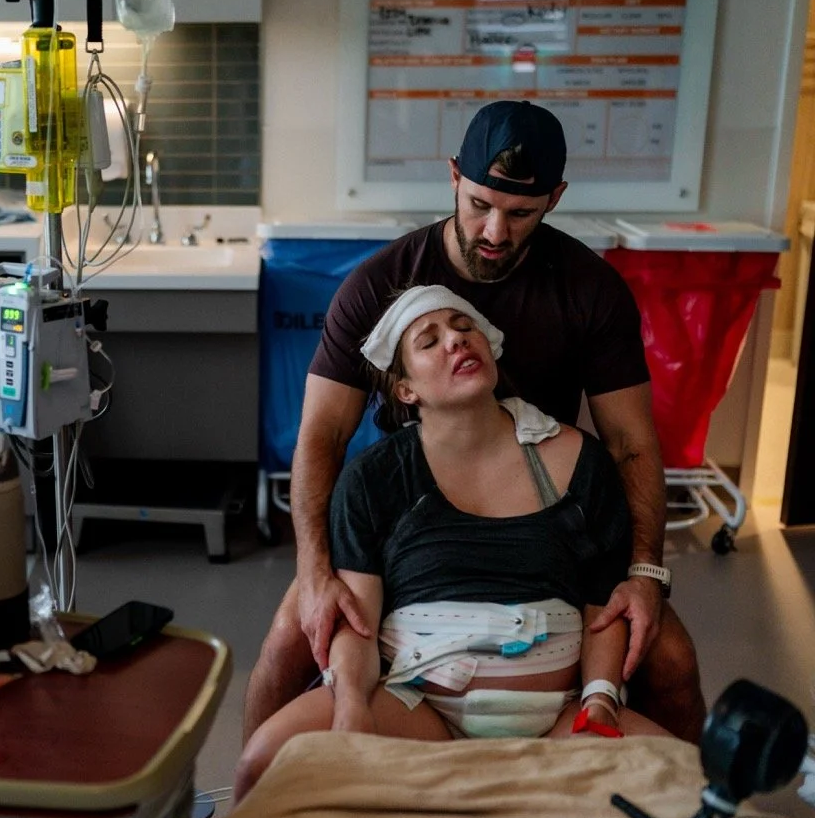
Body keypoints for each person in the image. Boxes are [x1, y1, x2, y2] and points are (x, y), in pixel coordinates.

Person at [243, 100, 706, 745]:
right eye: (480, 204)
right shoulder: (378, 286)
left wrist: (644, 571)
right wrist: (316, 569)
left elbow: (630, 443)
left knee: (672, 661)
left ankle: (691, 804)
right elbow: (321, 435)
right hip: (407, 522)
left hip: (542, 521)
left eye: (521, 214)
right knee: (292, 637)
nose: (496, 231)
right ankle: (259, 803)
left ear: (555, 199)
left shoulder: (589, 291)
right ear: (454, 176)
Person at [234, 287, 670, 801]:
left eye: (466, 328)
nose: (457, 341)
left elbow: (603, 605)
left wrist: (600, 699)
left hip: (557, 715)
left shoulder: (580, 461)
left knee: (682, 782)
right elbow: (358, 618)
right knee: (261, 765)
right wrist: (351, 702)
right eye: (429, 340)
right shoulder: (374, 479)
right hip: (418, 709)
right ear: (405, 391)